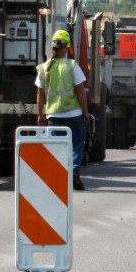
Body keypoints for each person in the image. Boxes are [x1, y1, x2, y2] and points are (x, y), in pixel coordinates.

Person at [35, 29, 89, 191]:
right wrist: (85, 112)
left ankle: (57, 177)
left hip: (53, 115)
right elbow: (80, 91)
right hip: (74, 114)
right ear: (67, 47)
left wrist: (40, 114)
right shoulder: (72, 66)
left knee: (57, 146)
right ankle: (73, 172)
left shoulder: (44, 68)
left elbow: (40, 94)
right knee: (77, 144)